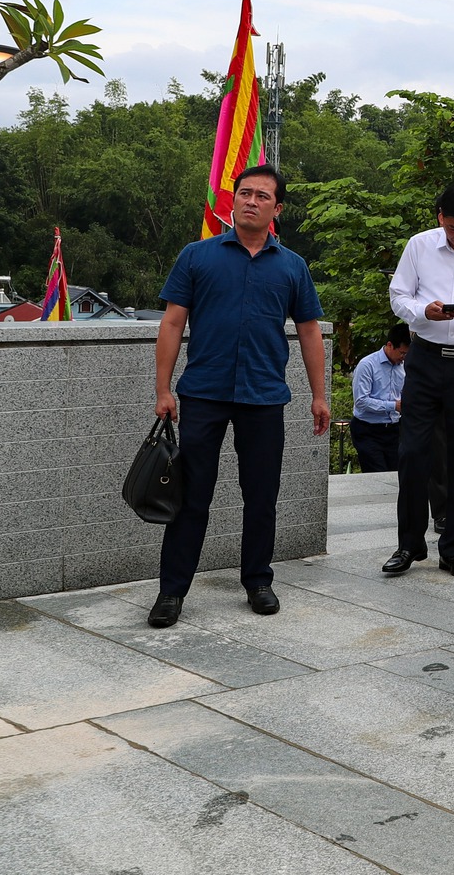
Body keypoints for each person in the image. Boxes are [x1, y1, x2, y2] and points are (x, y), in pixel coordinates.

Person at [147, 164, 328, 628]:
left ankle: (258, 580)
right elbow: (171, 322)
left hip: (264, 397)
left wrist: (319, 395)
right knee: (191, 497)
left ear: (276, 208)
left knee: (262, 495)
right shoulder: (197, 255)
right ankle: (171, 591)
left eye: (261, 196)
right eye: (244, 193)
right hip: (204, 394)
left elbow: (309, 331)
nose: (250, 201)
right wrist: (163, 388)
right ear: (233, 201)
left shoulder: (292, 266)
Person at [383, 183, 454, 580]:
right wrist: (422, 311)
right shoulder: (419, 245)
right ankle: (409, 544)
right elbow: (398, 295)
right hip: (425, 360)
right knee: (412, 453)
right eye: (453, 229)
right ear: (440, 220)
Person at [349, 324, 411, 472]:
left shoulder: (404, 366)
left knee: (396, 474)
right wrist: (394, 406)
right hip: (367, 430)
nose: (404, 358)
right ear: (390, 345)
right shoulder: (367, 365)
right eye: (402, 353)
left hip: (394, 430)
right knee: (376, 474)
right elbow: (361, 401)